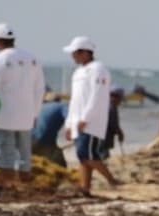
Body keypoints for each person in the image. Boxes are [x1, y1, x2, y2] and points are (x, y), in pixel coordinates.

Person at [0, 23, 46, 184]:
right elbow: (39, 89)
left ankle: (7, 186)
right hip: (26, 117)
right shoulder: (32, 58)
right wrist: (35, 113)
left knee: (4, 157)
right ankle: (24, 188)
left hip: (3, 118)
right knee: (24, 158)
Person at [61, 36, 119, 195]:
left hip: (90, 122)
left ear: (85, 52)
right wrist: (69, 123)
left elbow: (97, 96)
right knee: (83, 156)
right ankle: (84, 187)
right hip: (77, 121)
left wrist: (85, 118)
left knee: (86, 154)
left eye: (75, 53)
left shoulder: (98, 69)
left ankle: (112, 180)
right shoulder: (78, 72)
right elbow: (75, 100)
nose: (72, 56)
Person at [31, 92, 68, 168]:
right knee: (59, 160)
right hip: (44, 140)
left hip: (29, 139)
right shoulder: (61, 106)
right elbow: (71, 118)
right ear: (58, 100)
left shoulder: (38, 107)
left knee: (36, 164)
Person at [102, 87, 126, 159]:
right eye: (120, 99)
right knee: (103, 156)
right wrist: (119, 133)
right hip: (104, 139)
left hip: (103, 138)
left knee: (103, 155)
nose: (120, 102)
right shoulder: (111, 108)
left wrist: (119, 132)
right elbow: (113, 125)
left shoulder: (107, 106)